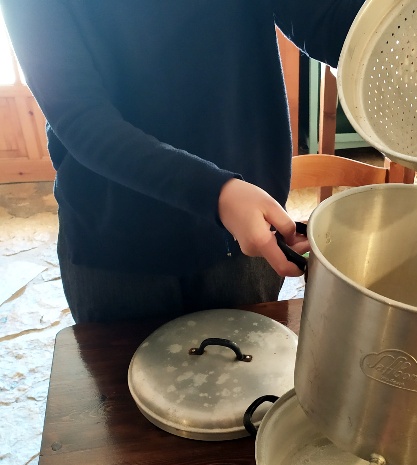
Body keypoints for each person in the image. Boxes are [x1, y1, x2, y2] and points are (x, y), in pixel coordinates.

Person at [1, 0, 364, 323]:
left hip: (246, 227)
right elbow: (79, 117)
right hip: (118, 241)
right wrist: (217, 194)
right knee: (121, 378)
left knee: (249, 373)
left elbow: (331, 22)